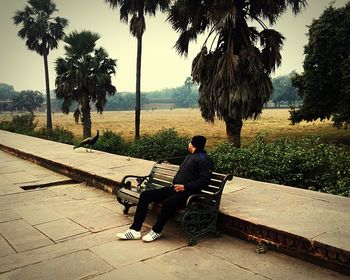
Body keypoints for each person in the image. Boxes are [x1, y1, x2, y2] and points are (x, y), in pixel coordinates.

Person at [116, 135, 214, 242]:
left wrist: (185, 187)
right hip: (175, 189)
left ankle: (156, 231)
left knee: (168, 203)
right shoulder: (191, 156)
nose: (188, 144)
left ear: (193, 144)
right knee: (145, 195)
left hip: (189, 193)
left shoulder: (204, 160)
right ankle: (135, 230)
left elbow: (204, 181)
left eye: (190, 142)